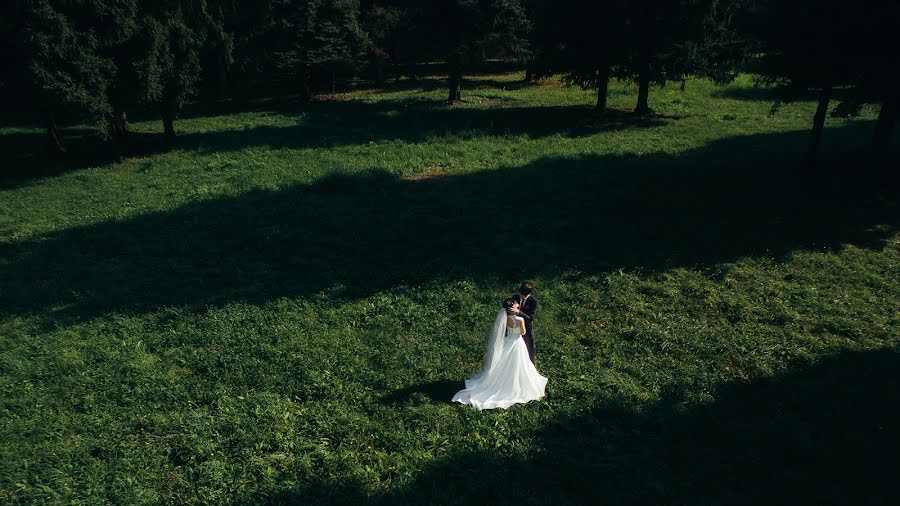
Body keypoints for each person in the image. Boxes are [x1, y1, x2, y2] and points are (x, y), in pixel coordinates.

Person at [451, 298, 548, 410]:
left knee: (506, 363)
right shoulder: (520, 319)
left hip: (508, 341)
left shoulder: (505, 318)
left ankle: (504, 381)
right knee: (520, 363)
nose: (517, 304)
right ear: (513, 307)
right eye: (516, 303)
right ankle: (517, 384)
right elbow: (523, 332)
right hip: (517, 343)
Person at [512, 282, 538, 364]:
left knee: (529, 349)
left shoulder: (533, 301)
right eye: (521, 294)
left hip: (527, 327)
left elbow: (530, 317)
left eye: (524, 295)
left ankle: (531, 366)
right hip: (514, 327)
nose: (521, 296)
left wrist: (519, 312)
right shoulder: (515, 297)